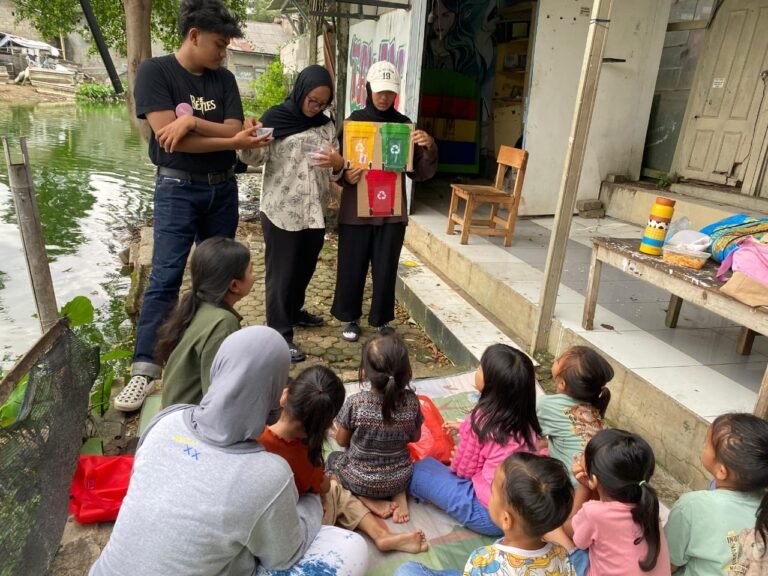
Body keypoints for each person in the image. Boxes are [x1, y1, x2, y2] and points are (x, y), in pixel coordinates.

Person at [90, 327, 368, 576]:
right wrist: (311, 504)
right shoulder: (269, 473)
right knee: (352, 547)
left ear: (219, 367)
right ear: (276, 394)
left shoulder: (166, 420)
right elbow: (284, 556)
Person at [114, 0, 271, 412]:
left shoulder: (224, 80)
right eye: (219, 44)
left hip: (222, 188)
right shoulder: (156, 72)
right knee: (166, 274)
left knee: (219, 274)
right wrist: (223, 139)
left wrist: (195, 123)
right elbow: (170, 139)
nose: (223, 53)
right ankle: (144, 368)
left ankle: (212, 352)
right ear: (194, 36)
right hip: (177, 189)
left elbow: (234, 128)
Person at [259, 365, 429, 554]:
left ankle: (368, 507)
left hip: (263, 524)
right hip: (291, 524)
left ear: (285, 396)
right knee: (336, 490)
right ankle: (381, 534)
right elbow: (323, 487)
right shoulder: (306, 458)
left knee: (335, 472)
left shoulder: (254, 436)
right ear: (328, 424)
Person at [239, 65, 345, 363]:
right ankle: (279, 334)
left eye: (323, 103)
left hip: (315, 211)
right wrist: (248, 137)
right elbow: (253, 157)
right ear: (300, 91)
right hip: (281, 210)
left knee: (305, 268)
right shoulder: (275, 117)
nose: (317, 107)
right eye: (313, 100)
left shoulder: (326, 125)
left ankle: (295, 312)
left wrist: (338, 162)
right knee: (281, 275)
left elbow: (336, 171)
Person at [331, 60, 438, 342]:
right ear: (368, 89)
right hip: (356, 210)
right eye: (379, 91)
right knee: (351, 265)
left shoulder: (404, 127)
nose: (383, 97)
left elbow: (420, 172)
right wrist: (344, 175)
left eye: (389, 92)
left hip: (391, 211)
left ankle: (381, 320)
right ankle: (350, 317)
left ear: (396, 94)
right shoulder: (353, 123)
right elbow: (336, 165)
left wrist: (428, 146)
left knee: (386, 266)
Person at [409, 343, 541, 536]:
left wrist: (456, 457)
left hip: (490, 515)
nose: (476, 371)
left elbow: (463, 471)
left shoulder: (480, 420)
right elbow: (495, 446)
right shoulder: (525, 420)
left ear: (491, 384)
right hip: (524, 514)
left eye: (480, 368)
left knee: (419, 470)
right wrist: (465, 428)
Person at [396, 453, 576, 576]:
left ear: (506, 519)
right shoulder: (561, 554)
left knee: (407, 570)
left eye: (493, 492)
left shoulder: (484, 559)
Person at [326, 331, 423, 524]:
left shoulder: (355, 403)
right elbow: (415, 438)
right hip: (400, 476)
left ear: (364, 372)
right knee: (396, 466)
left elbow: (342, 441)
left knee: (332, 459)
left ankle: (365, 498)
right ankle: (398, 493)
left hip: (359, 479)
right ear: (406, 371)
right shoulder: (413, 403)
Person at [552, 429, 670, 576]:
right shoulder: (648, 506)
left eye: (582, 456)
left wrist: (584, 487)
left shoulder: (594, 513)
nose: (579, 457)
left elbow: (569, 529)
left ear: (593, 479)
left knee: (552, 530)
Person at [664, 413, 768, 575]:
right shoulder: (764, 505)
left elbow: (668, 563)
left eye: (706, 444)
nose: (703, 445)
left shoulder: (691, 507)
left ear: (721, 471)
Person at [154, 237, 252, 407]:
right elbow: (217, 396)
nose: (255, 277)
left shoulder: (196, 304)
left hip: (176, 410)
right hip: (189, 423)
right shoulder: (223, 323)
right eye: (251, 271)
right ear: (234, 285)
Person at [536, 346, 613, 484]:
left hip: (570, 488)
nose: (556, 359)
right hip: (596, 485)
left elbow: (525, 435)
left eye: (558, 359)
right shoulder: (594, 410)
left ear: (562, 383)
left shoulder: (545, 404)